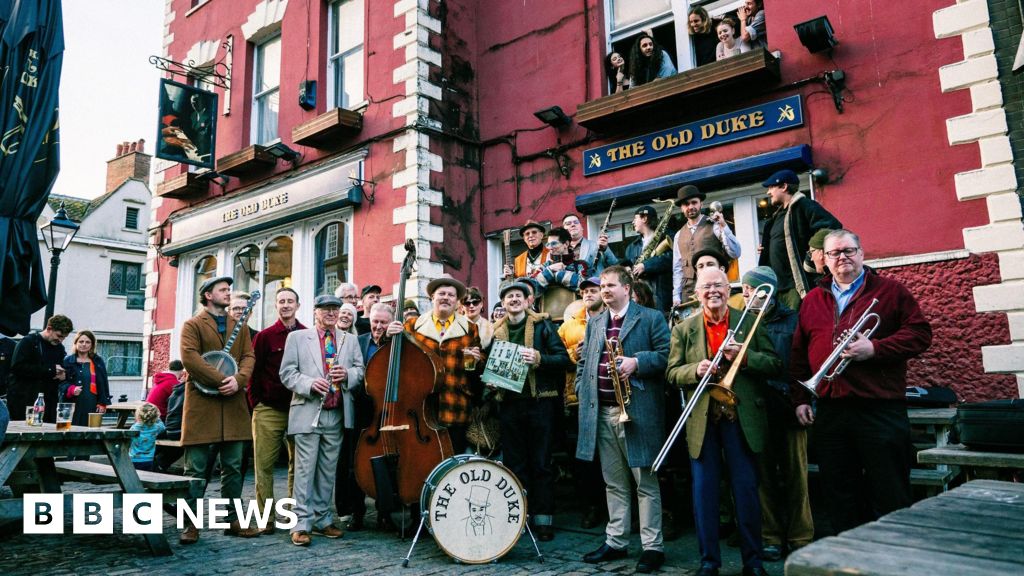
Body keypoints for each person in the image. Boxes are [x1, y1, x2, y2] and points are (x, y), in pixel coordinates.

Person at [791, 230, 932, 535]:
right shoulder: (813, 299)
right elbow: (798, 354)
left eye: (848, 250)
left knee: (891, 492)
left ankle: (897, 560)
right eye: (834, 253)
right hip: (831, 410)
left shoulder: (891, 291)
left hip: (879, 409)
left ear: (862, 253)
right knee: (840, 495)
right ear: (823, 260)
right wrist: (800, 399)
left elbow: (920, 334)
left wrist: (875, 348)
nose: (842, 257)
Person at [666, 267, 781, 576]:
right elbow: (672, 372)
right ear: (697, 293)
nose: (713, 291)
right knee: (704, 493)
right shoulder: (684, 328)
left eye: (719, 284)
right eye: (706, 286)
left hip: (740, 418)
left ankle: (753, 562)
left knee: (745, 491)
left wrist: (742, 358)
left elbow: (774, 364)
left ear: (728, 290)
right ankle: (708, 562)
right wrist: (695, 371)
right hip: (703, 420)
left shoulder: (750, 323)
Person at [575, 265, 670, 574]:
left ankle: (652, 546)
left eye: (611, 285)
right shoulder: (596, 321)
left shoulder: (651, 318)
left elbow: (668, 356)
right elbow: (584, 361)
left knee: (645, 483)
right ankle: (616, 541)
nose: (605, 289)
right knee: (613, 482)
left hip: (637, 412)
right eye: (602, 285)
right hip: (601, 411)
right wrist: (582, 385)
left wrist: (637, 362)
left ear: (627, 288)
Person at [178, 276, 260, 543]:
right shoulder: (192, 325)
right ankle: (189, 524)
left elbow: (249, 356)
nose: (228, 293)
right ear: (208, 295)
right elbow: (189, 358)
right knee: (196, 469)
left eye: (228, 289)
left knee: (234, 466)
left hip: (233, 403)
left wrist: (238, 380)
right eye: (223, 290)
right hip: (203, 405)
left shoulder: (240, 326)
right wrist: (220, 380)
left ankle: (233, 520)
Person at [739, 267, 812, 561]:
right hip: (757, 408)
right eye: (743, 290)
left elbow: (803, 366)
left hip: (788, 404)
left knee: (797, 476)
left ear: (766, 291)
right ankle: (770, 536)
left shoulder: (794, 321)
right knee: (764, 476)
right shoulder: (742, 323)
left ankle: (801, 536)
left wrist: (803, 401)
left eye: (750, 290)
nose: (744, 295)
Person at [280, 294, 364, 546]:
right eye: (325, 309)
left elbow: (360, 370)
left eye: (335, 309)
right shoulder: (297, 337)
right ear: (315, 311)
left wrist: (347, 374)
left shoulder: (349, 340)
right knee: (305, 470)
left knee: (328, 470)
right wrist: (308, 383)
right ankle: (301, 524)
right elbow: (287, 373)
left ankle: (322, 519)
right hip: (308, 410)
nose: (331, 313)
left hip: (337, 413)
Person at [490, 282, 570, 541]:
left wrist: (539, 359)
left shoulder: (543, 325)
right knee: (515, 465)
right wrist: (491, 380)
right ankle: (520, 518)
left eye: (518, 296)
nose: (513, 300)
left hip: (539, 403)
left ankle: (544, 520)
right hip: (509, 405)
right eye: (508, 297)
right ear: (503, 304)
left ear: (528, 301)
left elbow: (563, 360)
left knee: (541, 463)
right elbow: (490, 365)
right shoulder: (495, 331)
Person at [386, 274, 483, 453]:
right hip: (421, 406)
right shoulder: (412, 325)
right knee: (424, 459)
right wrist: (388, 337)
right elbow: (396, 359)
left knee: (454, 459)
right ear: (432, 297)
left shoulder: (470, 328)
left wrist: (478, 360)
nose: (446, 297)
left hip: (455, 404)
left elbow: (480, 366)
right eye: (441, 293)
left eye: (451, 295)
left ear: (457, 301)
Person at [250, 287, 305, 534]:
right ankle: (266, 518)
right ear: (276, 305)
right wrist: (256, 403)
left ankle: (294, 515)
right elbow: (253, 371)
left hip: (299, 407)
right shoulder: (264, 336)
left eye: (290, 301)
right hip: (269, 409)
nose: (285, 305)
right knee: (264, 464)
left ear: (297, 305)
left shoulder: (307, 334)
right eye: (281, 301)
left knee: (298, 465)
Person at [557, 276, 608, 529]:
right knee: (583, 459)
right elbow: (557, 356)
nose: (589, 294)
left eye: (594, 290)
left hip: (607, 396)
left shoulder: (612, 319)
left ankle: (612, 507)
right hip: (577, 398)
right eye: (585, 291)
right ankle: (590, 506)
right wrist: (572, 355)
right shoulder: (569, 325)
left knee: (608, 455)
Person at [758, 169, 843, 311]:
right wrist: (768, 248)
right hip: (777, 287)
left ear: (784, 187)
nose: (768, 192)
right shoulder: (775, 218)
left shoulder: (804, 205)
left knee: (797, 327)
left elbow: (832, 227)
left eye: (771, 187)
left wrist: (813, 252)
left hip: (796, 286)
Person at [347, 302, 395, 531]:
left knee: (387, 463)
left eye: (383, 323)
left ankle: (384, 513)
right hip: (363, 410)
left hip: (391, 409)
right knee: (356, 461)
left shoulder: (397, 343)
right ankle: (356, 511)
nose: (378, 326)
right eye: (375, 321)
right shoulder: (358, 342)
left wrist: (399, 337)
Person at [672, 185, 741, 307]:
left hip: (714, 288)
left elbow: (735, 252)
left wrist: (723, 226)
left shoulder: (714, 225)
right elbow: (677, 268)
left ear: (701, 204)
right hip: (688, 293)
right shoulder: (678, 235)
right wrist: (676, 295)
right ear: (682, 208)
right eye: (686, 204)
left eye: (694, 202)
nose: (691, 207)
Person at [8, 314, 73, 423]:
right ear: (49, 329)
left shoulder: (59, 348)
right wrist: (50, 370)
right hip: (25, 401)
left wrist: (63, 375)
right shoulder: (29, 342)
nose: (61, 340)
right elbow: (17, 367)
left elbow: (62, 369)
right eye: (59, 336)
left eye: (64, 337)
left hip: (48, 402)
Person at [625, 205, 673, 312]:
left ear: (644, 218)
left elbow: (671, 259)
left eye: (635, 218)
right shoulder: (631, 248)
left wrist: (645, 266)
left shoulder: (667, 237)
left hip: (661, 297)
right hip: (641, 297)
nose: (633, 222)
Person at [58, 330, 111, 427]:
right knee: (65, 430)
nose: (84, 344)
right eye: (81, 341)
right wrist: (70, 389)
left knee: (90, 432)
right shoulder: (67, 361)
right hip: (69, 403)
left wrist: (103, 403)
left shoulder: (97, 361)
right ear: (76, 343)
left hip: (91, 402)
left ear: (92, 345)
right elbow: (60, 382)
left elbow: (103, 383)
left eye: (87, 342)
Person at [537, 227, 587, 320]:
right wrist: (550, 270)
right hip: (547, 322)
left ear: (566, 244)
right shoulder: (544, 267)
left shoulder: (581, 265)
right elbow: (531, 289)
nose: (550, 247)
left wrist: (559, 275)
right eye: (548, 244)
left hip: (576, 320)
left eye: (554, 243)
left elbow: (585, 288)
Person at [130, 402, 166, 472]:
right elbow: (163, 427)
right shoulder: (157, 427)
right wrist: (158, 419)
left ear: (138, 416)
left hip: (133, 459)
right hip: (149, 459)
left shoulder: (134, 428)